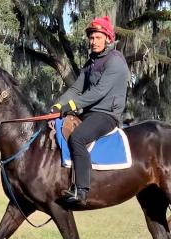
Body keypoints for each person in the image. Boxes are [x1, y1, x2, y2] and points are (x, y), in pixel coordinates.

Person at [50, 16, 129, 206]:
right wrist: (58, 105)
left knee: (78, 138)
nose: (93, 42)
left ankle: (82, 190)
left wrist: (71, 106)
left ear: (108, 38)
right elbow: (76, 89)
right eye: (92, 38)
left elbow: (98, 92)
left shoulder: (115, 61)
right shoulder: (91, 62)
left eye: (98, 37)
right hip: (89, 113)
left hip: (107, 115)